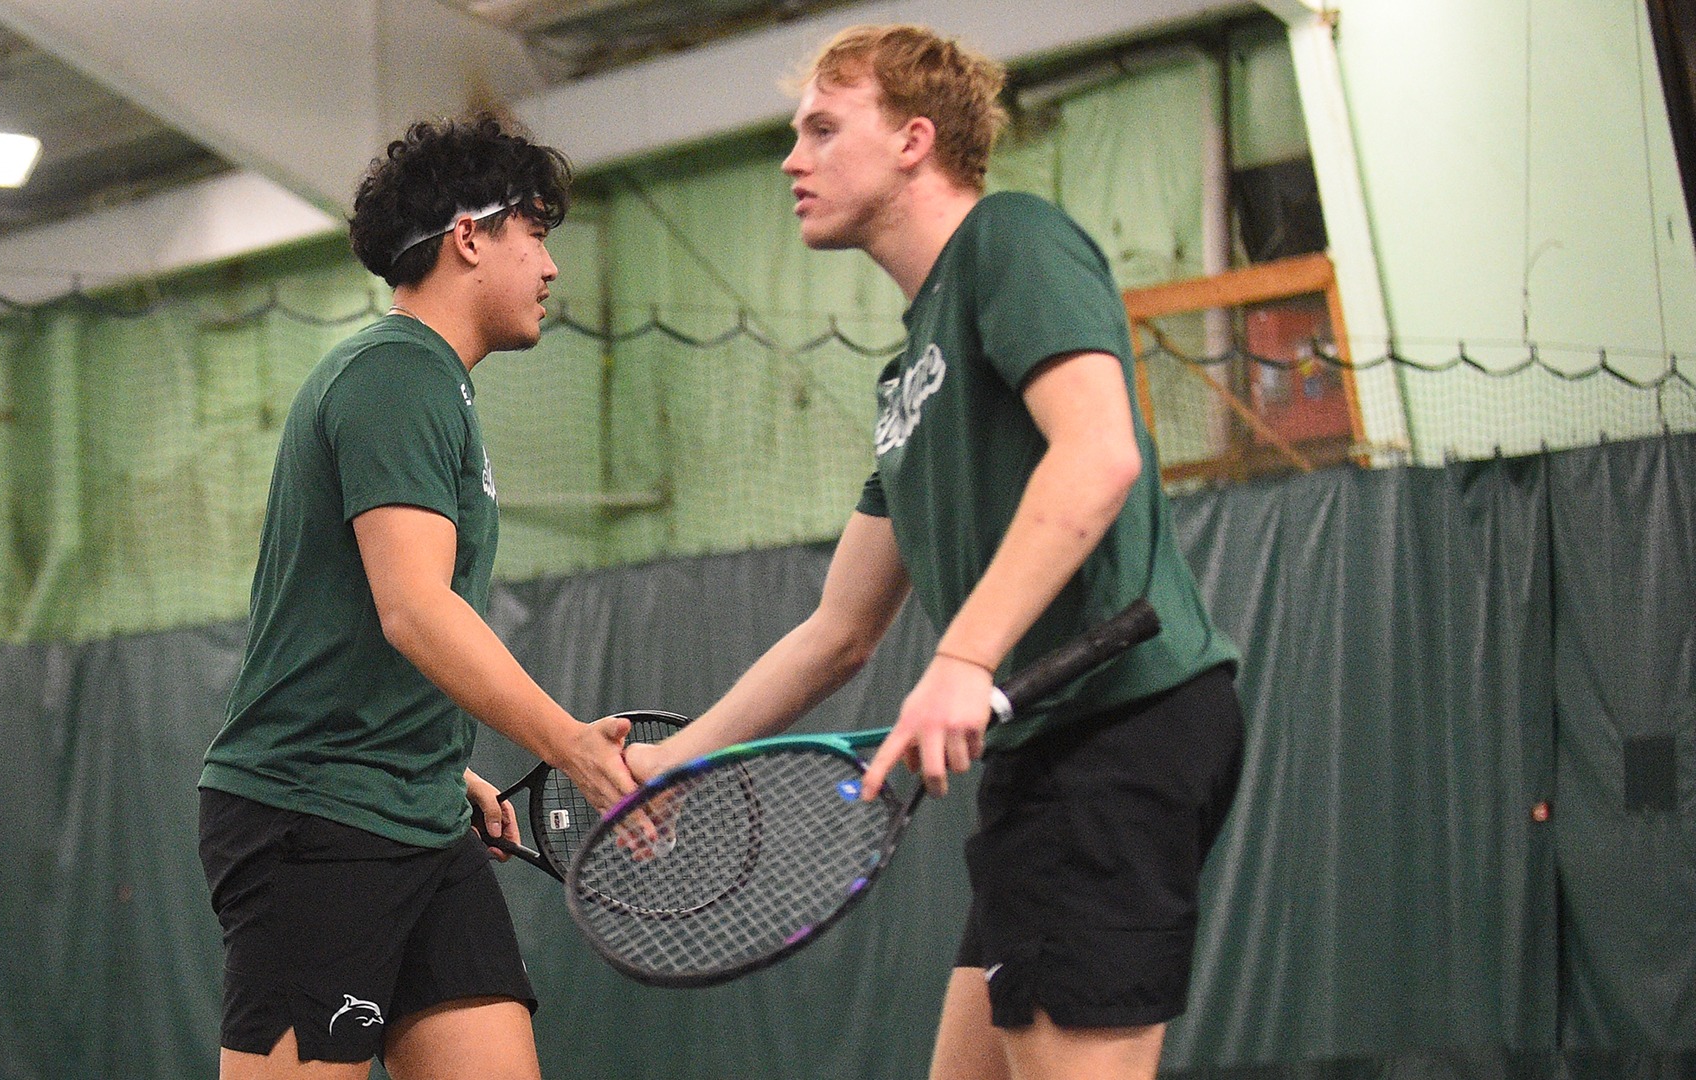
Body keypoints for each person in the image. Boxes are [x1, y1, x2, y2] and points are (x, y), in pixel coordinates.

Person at [625, 25, 1245, 1080]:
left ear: (916, 139)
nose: (792, 158)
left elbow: (1098, 457)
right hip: (1040, 755)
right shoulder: (905, 381)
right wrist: (676, 764)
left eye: (823, 128)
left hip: (1116, 729)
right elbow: (839, 629)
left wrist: (962, 659)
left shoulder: (1012, 242)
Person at [197, 115, 637, 1080]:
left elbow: (379, 620)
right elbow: (414, 609)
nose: (552, 266)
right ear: (471, 236)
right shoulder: (396, 373)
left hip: (418, 814)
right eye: (536, 232)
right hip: (314, 822)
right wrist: (565, 743)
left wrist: (441, 766)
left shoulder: (433, 384)